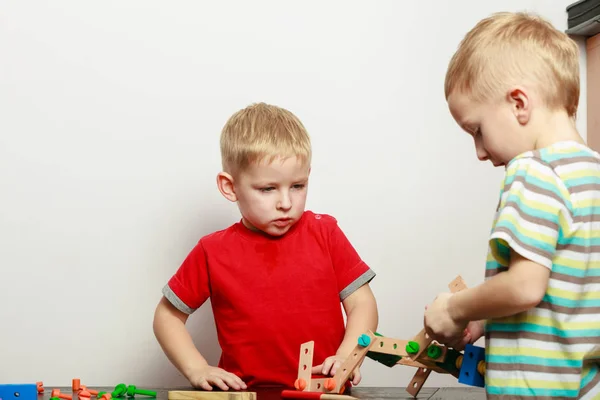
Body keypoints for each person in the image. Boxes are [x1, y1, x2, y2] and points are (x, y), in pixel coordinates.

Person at [423, 11, 600, 399]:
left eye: (477, 131)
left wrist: (456, 308)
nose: (480, 152)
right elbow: (567, 291)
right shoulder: (592, 176)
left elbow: (525, 287)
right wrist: (487, 318)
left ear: (519, 103)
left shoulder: (532, 171)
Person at [153, 102, 378, 391]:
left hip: (323, 394)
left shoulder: (326, 232)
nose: (286, 202)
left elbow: (362, 302)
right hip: (244, 396)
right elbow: (167, 317)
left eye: (297, 186)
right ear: (230, 187)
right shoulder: (212, 251)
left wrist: (348, 355)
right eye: (268, 189)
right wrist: (196, 368)